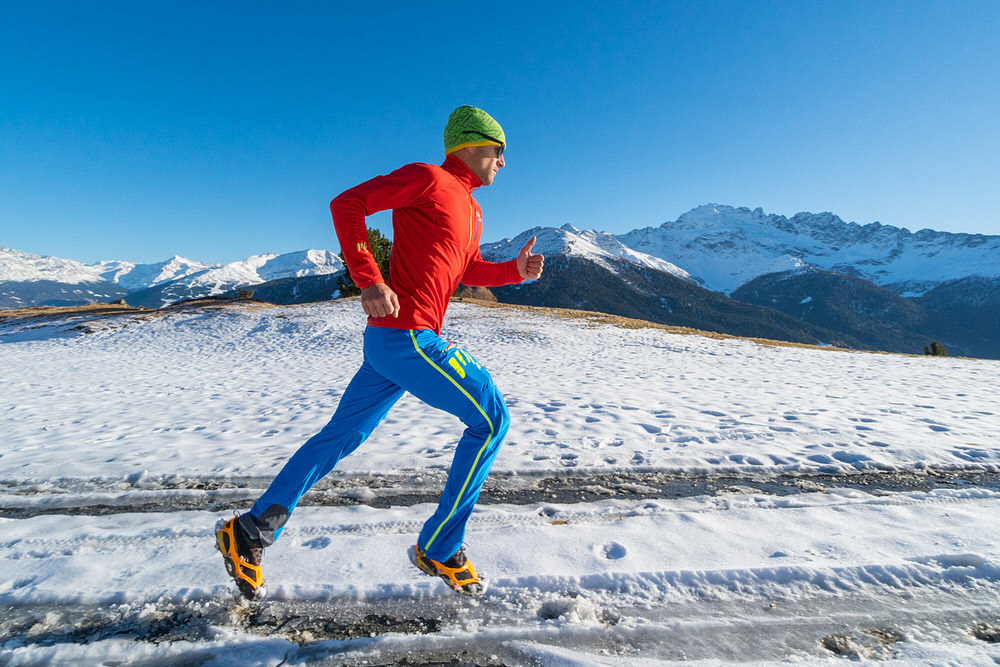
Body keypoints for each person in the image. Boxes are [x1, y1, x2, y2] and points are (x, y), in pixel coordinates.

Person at [215, 106, 544, 599]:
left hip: (392, 344)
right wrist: (369, 278)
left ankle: (252, 530)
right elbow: (347, 203)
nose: (503, 163)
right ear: (473, 145)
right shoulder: (428, 178)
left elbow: (466, 268)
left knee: (340, 437)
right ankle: (439, 545)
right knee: (491, 420)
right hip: (410, 337)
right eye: (500, 152)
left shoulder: (473, 209)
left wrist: (513, 271)